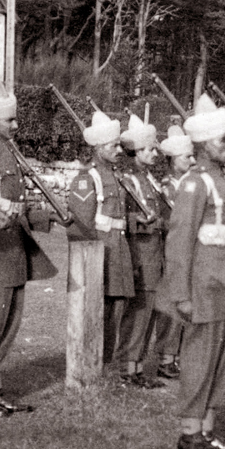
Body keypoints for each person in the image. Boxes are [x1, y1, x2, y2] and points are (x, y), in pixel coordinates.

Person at [161, 96, 225, 449]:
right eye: (222, 140)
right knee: (201, 358)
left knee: (219, 357)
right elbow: (179, 239)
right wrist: (181, 293)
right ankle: (190, 432)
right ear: (201, 146)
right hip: (204, 283)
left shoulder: (222, 180)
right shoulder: (194, 183)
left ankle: (208, 429)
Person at [0, 78, 56, 416]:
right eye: (9, 120)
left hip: (15, 253)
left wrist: (48, 216)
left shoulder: (11, 156)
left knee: (9, 325)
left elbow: (16, 208)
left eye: (14, 119)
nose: (15, 125)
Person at [66, 111, 143, 384]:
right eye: (113, 146)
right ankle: (90, 365)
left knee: (117, 309)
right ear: (98, 148)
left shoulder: (116, 177)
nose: (119, 150)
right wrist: (86, 270)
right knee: (98, 312)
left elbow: (119, 218)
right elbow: (79, 227)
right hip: (100, 255)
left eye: (119, 145)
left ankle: (107, 366)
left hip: (118, 252)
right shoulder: (88, 179)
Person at [117, 114, 169, 388]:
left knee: (148, 313)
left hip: (154, 255)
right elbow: (123, 218)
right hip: (139, 254)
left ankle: (137, 367)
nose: (154, 153)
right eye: (149, 149)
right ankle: (127, 367)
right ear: (135, 152)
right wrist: (141, 223)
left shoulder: (148, 179)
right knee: (137, 314)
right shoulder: (127, 180)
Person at [153, 124, 197, 380]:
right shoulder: (167, 187)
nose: (190, 161)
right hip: (172, 252)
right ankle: (166, 357)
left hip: (190, 252)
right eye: (185, 157)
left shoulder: (189, 184)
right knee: (171, 307)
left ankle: (178, 355)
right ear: (172, 160)